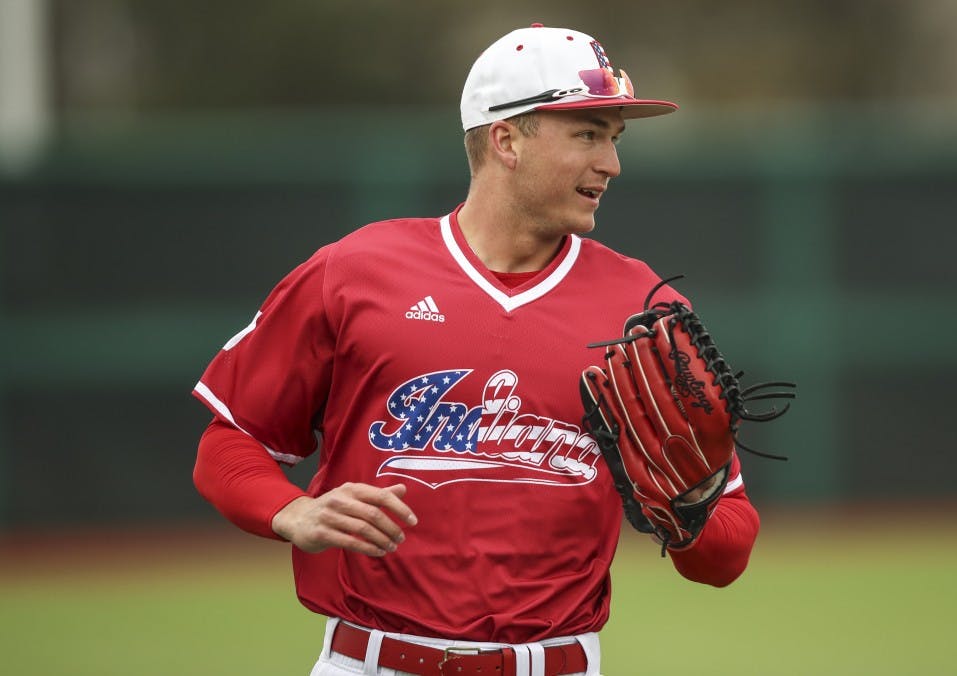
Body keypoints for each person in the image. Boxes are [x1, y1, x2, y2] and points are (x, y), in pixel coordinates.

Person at [192, 23, 760, 676]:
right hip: (368, 662)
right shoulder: (353, 272)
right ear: (507, 139)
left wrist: (688, 516)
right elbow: (230, 443)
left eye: (614, 137)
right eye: (588, 134)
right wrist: (290, 510)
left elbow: (729, 549)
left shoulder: (645, 311)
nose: (611, 163)